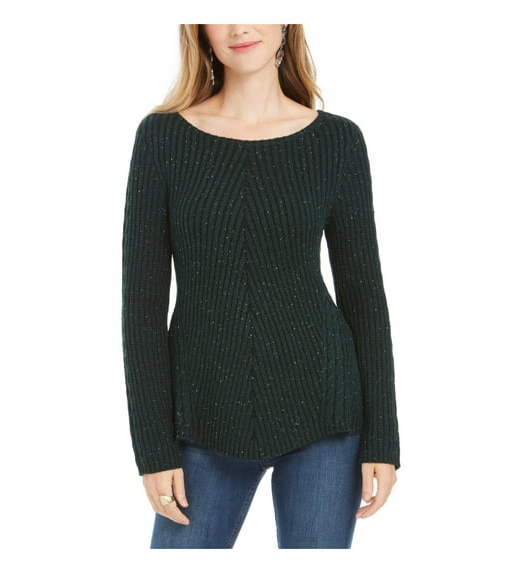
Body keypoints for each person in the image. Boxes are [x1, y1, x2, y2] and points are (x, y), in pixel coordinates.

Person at [121, 24, 400, 549]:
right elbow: (141, 308)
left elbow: (364, 299)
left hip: (325, 411)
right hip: (203, 415)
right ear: (199, 29)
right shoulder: (162, 138)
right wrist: (153, 448)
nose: (240, 26)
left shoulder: (337, 141)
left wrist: (383, 439)